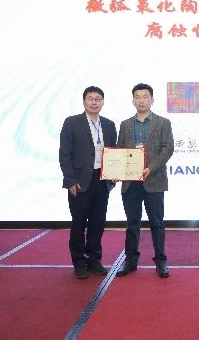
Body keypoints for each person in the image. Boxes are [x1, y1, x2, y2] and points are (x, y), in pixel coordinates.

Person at [116, 83, 174, 278]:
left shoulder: (163, 123)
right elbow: (120, 151)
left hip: (154, 180)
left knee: (157, 223)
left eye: (145, 96)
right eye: (137, 97)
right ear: (133, 101)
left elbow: (168, 148)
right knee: (132, 223)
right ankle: (130, 261)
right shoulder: (125, 124)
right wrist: (115, 170)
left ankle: (161, 261)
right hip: (130, 183)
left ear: (152, 100)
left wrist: (151, 168)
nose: (141, 100)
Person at [59, 86, 117, 279]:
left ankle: (94, 259)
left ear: (103, 102)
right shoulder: (72, 122)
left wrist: (114, 173)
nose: (94, 102)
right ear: (84, 102)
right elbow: (64, 154)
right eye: (90, 98)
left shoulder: (109, 125)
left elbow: (113, 152)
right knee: (78, 223)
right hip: (80, 181)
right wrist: (70, 180)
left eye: (98, 99)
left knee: (98, 222)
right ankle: (78, 261)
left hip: (102, 179)